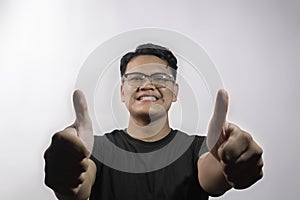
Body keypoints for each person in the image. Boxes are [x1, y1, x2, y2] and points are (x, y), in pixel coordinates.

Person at [44, 43, 264, 200]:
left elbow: (212, 175)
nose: (147, 85)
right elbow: (79, 187)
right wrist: (68, 177)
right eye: (136, 78)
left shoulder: (198, 148)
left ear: (175, 92)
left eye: (160, 78)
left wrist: (231, 166)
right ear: (122, 92)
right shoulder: (99, 149)